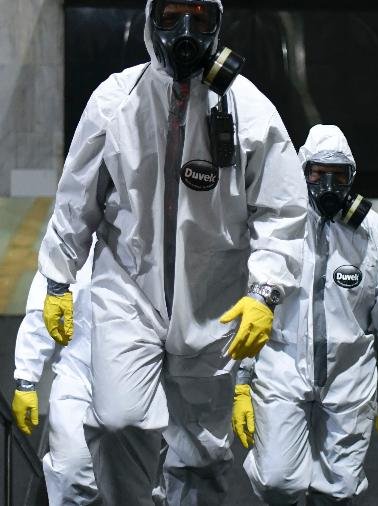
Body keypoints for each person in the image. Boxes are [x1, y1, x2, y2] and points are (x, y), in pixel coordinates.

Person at [37, 1, 307, 504]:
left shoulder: (248, 109)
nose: (186, 31)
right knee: (117, 422)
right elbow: (77, 196)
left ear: (217, 26)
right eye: (172, 15)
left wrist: (266, 292)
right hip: (128, 293)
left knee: (201, 451)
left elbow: (283, 209)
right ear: (150, 20)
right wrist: (57, 276)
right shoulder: (115, 100)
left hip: (213, 299)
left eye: (200, 18)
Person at [233, 124, 378, 504]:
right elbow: (254, 302)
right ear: (301, 172)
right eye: (318, 173)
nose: (328, 185)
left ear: (352, 177)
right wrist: (242, 380)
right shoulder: (280, 228)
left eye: (339, 175)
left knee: (339, 490)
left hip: (349, 376)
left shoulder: (375, 236)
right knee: (276, 480)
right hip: (282, 367)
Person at [12, 248, 97, 505]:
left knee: (145, 478)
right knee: (71, 471)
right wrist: (26, 379)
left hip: (148, 378)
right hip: (78, 374)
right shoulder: (70, 247)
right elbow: (41, 310)